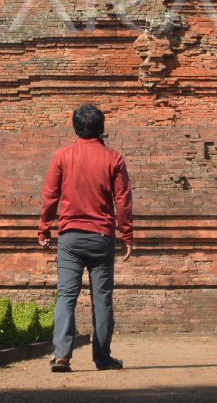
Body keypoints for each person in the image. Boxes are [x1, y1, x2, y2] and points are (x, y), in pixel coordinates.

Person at [38, 103, 134, 372]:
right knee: (102, 298)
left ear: (76, 128)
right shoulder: (114, 159)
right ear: (101, 129)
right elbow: (123, 201)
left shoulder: (62, 156)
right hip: (101, 236)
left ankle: (61, 355)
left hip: (70, 238)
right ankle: (102, 357)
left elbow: (50, 197)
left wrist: (44, 229)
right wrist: (126, 234)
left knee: (66, 295)